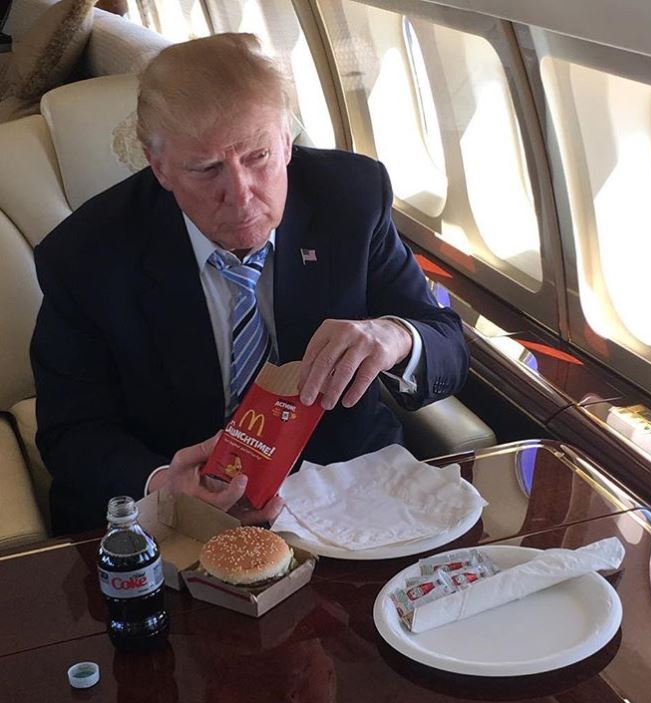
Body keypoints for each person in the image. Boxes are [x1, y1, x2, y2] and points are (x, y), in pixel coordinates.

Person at [31, 33, 469, 535]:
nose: (240, 197)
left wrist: (395, 335)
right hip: (181, 509)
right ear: (160, 167)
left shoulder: (351, 198)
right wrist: (162, 485)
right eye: (206, 169)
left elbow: (446, 343)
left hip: (343, 491)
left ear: (286, 142)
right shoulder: (85, 255)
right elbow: (71, 432)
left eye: (258, 157)